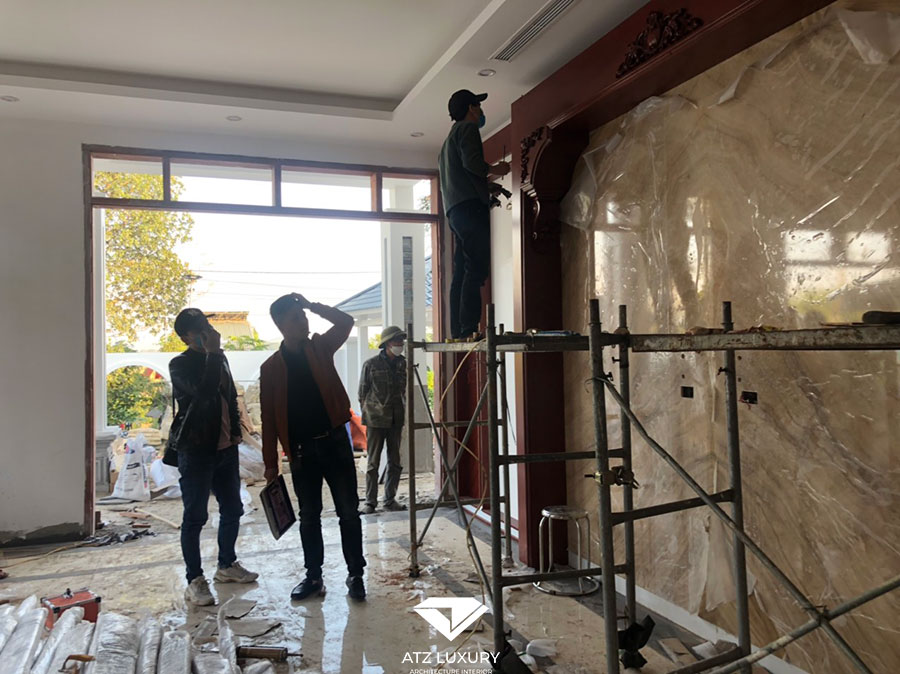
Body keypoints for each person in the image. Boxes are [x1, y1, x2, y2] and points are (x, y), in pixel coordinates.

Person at [260, 293, 367, 601]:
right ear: (281, 325)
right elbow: (269, 420)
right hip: (301, 451)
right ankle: (314, 577)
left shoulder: (319, 347)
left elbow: (346, 322)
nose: (303, 322)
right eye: (296, 318)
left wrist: (312, 305)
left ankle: (356, 575)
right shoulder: (271, 369)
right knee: (309, 516)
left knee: (349, 512)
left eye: (303, 316)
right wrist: (271, 464)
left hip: (335, 443)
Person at [168, 308, 259, 607]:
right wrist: (212, 355)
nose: (206, 333)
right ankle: (194, 579)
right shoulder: (180, 364)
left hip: (225, 449)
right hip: (196, 450)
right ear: (186, 337)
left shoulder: (221, 359)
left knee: (233, 508)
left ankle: (226, 565)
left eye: (207, 326)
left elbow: (229, 397)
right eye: (199, 330)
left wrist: (236, 433)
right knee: (195, 516)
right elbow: (204, 392)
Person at [438, 89, 511, 339]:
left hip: (455, 211)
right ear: (471, 108)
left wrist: (486, 187)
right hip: (470, 209)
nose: (480, 110)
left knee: (461, 270)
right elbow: (473, 164)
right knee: (476, 269)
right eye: (478, 105)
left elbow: (463, 175)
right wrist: (497, 169)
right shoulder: (467, 129)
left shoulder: (447, 142)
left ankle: (458, 330)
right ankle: (470, 328)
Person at [358, 326, 407, 514]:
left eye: (401, 340)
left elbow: (403, 390)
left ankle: (390, 499)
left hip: (396, 418)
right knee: (373, 462)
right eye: (397, 340)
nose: (400, 344)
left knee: (395, 461)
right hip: (375, 420)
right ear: (387, 343)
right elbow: (362, 393)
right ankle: (370, 502)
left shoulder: (403, 364)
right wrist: (370, 412)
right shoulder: (371, 364)